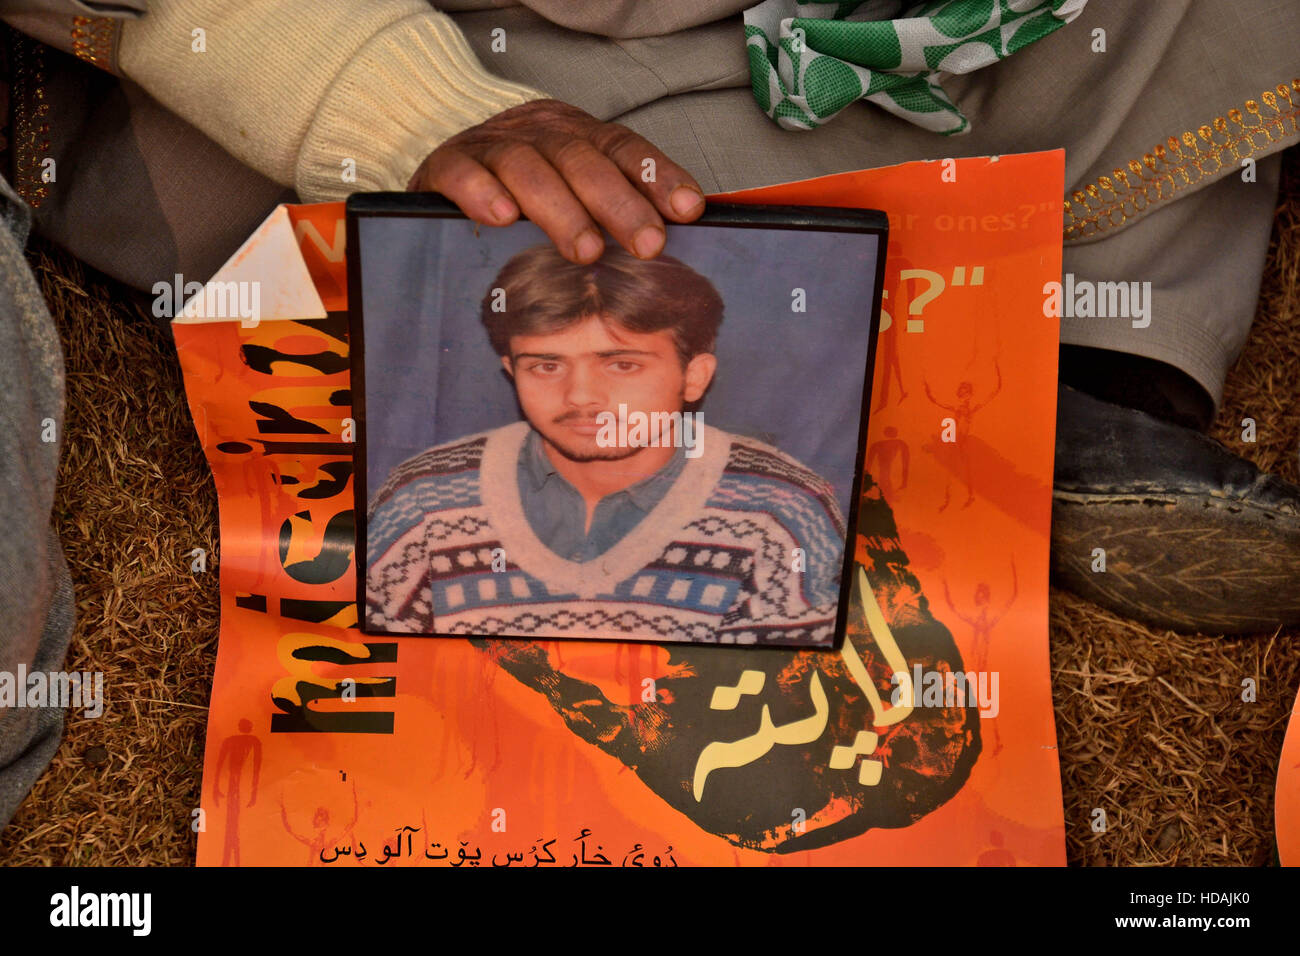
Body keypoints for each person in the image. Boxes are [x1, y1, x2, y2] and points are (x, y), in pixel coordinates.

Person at [366, 243, 848, 645]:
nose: (580, 396)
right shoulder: (422, 499)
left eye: (621, 365)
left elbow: (781, 702)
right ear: (511, 372)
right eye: (546, 366)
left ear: (694, 376)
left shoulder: (781, 512)